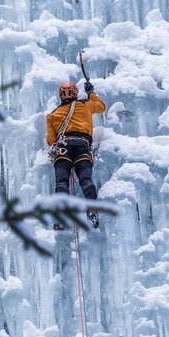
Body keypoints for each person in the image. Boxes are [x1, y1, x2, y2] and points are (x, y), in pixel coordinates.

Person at [46, 80, 105, 229]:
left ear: (60, 96)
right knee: (85, 180)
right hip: (82, 145)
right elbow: (101, 106)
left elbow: (51, 140)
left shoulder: (52, 115)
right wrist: (91, 92)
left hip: (63, 148)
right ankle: (92, 211)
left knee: (62, 182)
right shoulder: (85, 104)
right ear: (76, 93)